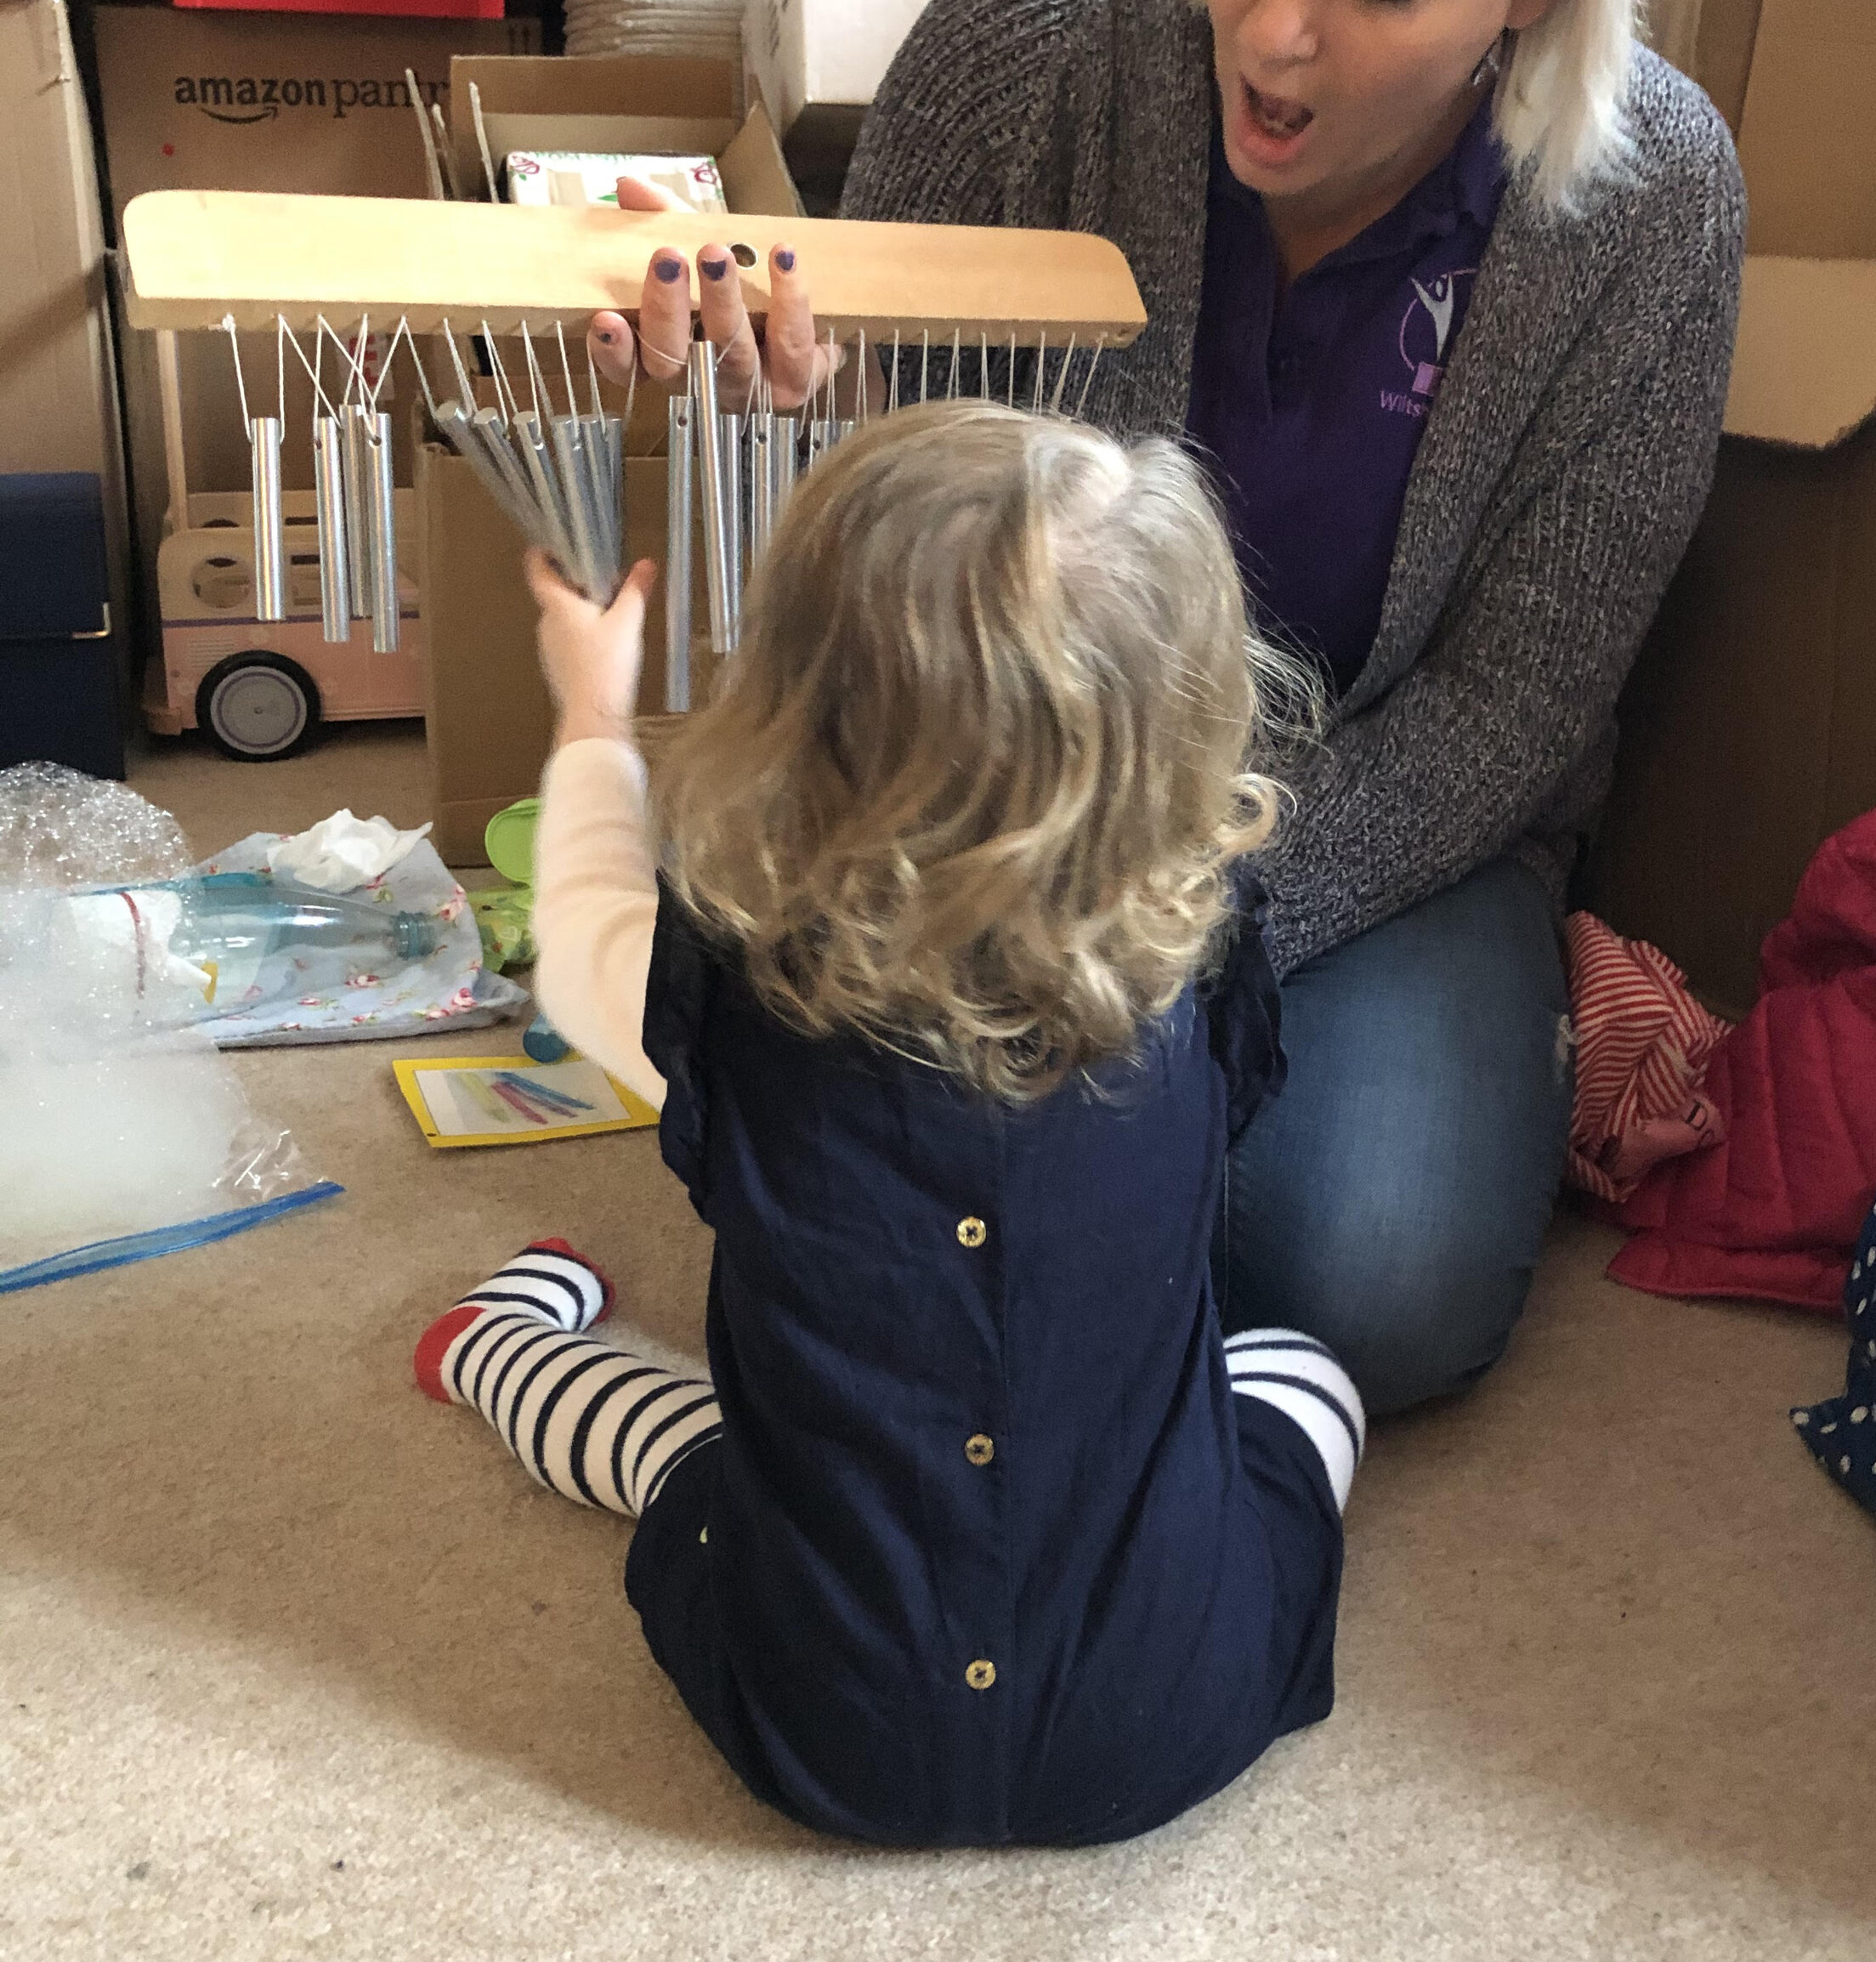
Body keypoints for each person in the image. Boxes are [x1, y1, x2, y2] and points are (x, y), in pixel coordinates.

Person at [596, 0, 1748, 1416]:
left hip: (1374, 820)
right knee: (778, 1126)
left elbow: (1517, 705)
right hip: (997, 774)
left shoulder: (1646, 205)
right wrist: (766, 397)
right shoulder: (1013, 60)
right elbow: (889, 578)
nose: (1272, 26)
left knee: (1354, 1266)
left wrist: (1163, 929)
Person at [414, 405, 1366, 1847]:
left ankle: (494, 1342)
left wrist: (592, 708)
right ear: (1181, 725)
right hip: (1164, 1722)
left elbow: (579, 917)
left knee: (705, 1453)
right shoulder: (1204, 965)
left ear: (789, 710)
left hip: (826, 1726)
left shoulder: (720, 993)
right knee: (1299, 1371)